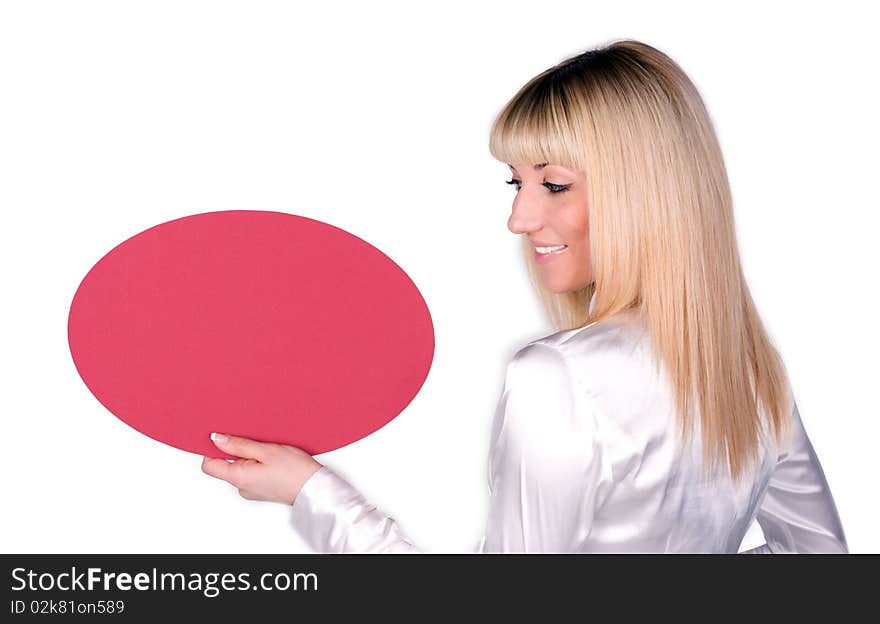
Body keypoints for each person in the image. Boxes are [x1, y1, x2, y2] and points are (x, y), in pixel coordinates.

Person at [200, 39, 848, 554]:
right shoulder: (748, 371)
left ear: (646, 192)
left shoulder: (560, 376)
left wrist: (312, 494)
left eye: (555, 185)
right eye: (515, 183)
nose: (520, 218)